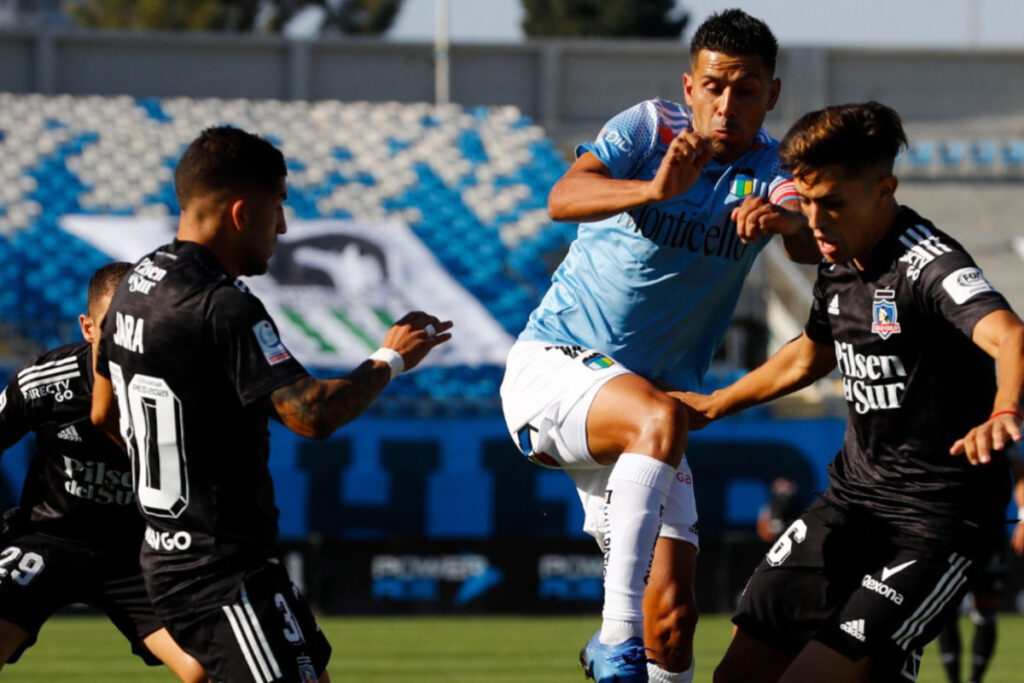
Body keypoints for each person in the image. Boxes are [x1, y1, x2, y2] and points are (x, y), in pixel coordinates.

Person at [499, 9, 819, 683]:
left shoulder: (772, 166)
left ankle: (634, 645)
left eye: (747, 89)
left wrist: (785, 217)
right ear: (689, 84)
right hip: (556, 364)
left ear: (773, 94)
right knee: (660, 420)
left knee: (672, 628)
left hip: (650, 415)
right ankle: (613, 639)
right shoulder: (650, 129)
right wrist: (652, 189)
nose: (727, 103)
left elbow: (806, 240)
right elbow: (562, 197)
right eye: (714, 86)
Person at [676, 101, 1024, 683]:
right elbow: (813, 351)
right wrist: (714, 404)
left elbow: (1011, 336)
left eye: (832, 203)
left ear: (884, 189)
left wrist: (1005, 409)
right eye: (806, 201)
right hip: (851, 504)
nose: (814, 220)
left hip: (936, 522)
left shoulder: (927, 265)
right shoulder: (838, 257)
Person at [91, 126, 452, 683]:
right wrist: (391, 358)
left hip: (177, 557)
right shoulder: (222, 306)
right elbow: (312, 414)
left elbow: (104, 414)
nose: (282, 228)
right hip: (219, 573)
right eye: (278, 207)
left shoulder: (134, 285)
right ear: (241, 212)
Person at [0, 262, 206, 681]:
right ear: (88, 328)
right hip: (46, 541)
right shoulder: (43, 381)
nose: (129, 340)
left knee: (203, 668)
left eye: (139, 325)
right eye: (115, 325)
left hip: (135, 553)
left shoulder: (181, 389)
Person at [936, 445, 1024, 683]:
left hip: (990, 533)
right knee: (944, 607)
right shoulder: (940, 423)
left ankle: (975, 679)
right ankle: (953, 679)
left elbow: (1019, 475)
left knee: (987, 609)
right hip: (948, 531)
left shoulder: (999, 433)